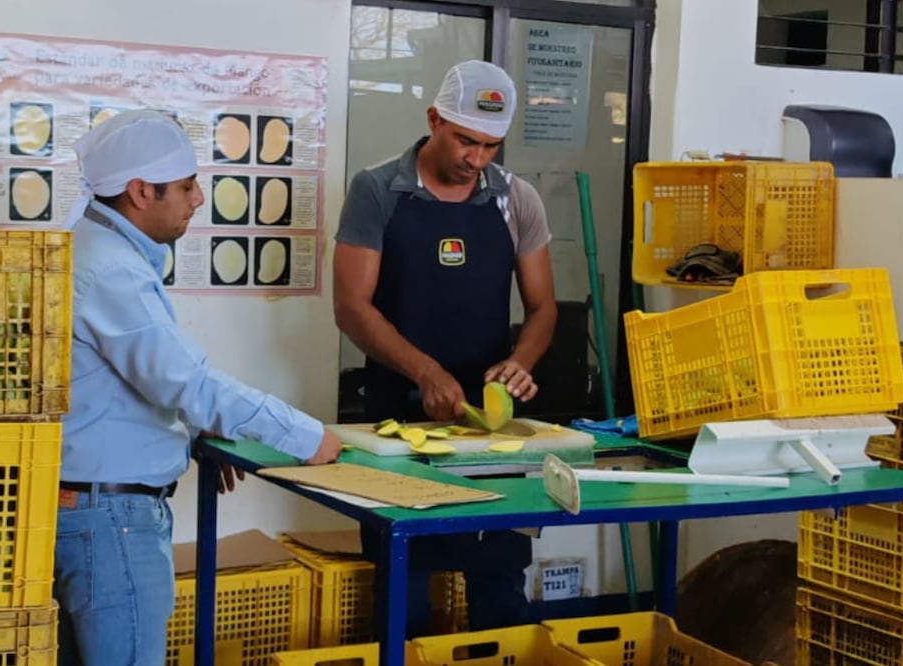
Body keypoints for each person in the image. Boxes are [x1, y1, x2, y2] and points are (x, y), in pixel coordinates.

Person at [54, 109, 341, 666]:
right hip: (109, 522)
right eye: (186, 187)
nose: (198, 199)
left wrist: (194, 426)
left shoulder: (95, 246)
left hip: (94, 509)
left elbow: (138, 377)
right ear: (140, 191)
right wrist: (305, 436)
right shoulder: (110, 268)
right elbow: (185, 379)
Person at [333, 60, 557, 637]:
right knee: (402, 592)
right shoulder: (377, 190)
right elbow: (352, 307)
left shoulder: (517, 200)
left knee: (500, 585)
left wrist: (521, 362)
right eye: (464, 140)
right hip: (396, 428)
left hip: (491, 435)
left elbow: (543, 309)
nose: (476, 159)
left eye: (490, 146)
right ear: (434, 119)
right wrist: (424, 372)